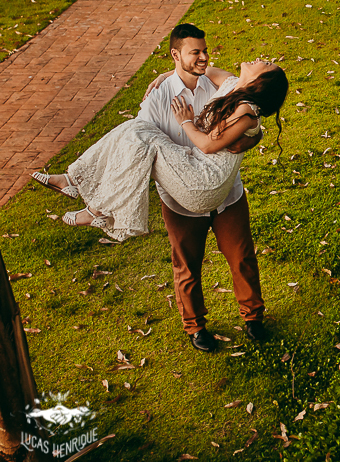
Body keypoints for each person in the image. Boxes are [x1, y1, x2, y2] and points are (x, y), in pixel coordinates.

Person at [32, 24, 288, 351]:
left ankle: (253, 319)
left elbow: (242, 121)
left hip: (224, 194)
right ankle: (196, 327)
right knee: (186, 264)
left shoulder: (228, 86)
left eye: (202, 53)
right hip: (181, 193)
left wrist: (254, 137)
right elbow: (136, 141)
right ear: (176, 56)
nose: (203, 58)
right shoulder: (160, 93)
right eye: (193, 53)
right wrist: (172, 78)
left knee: (242, 258)